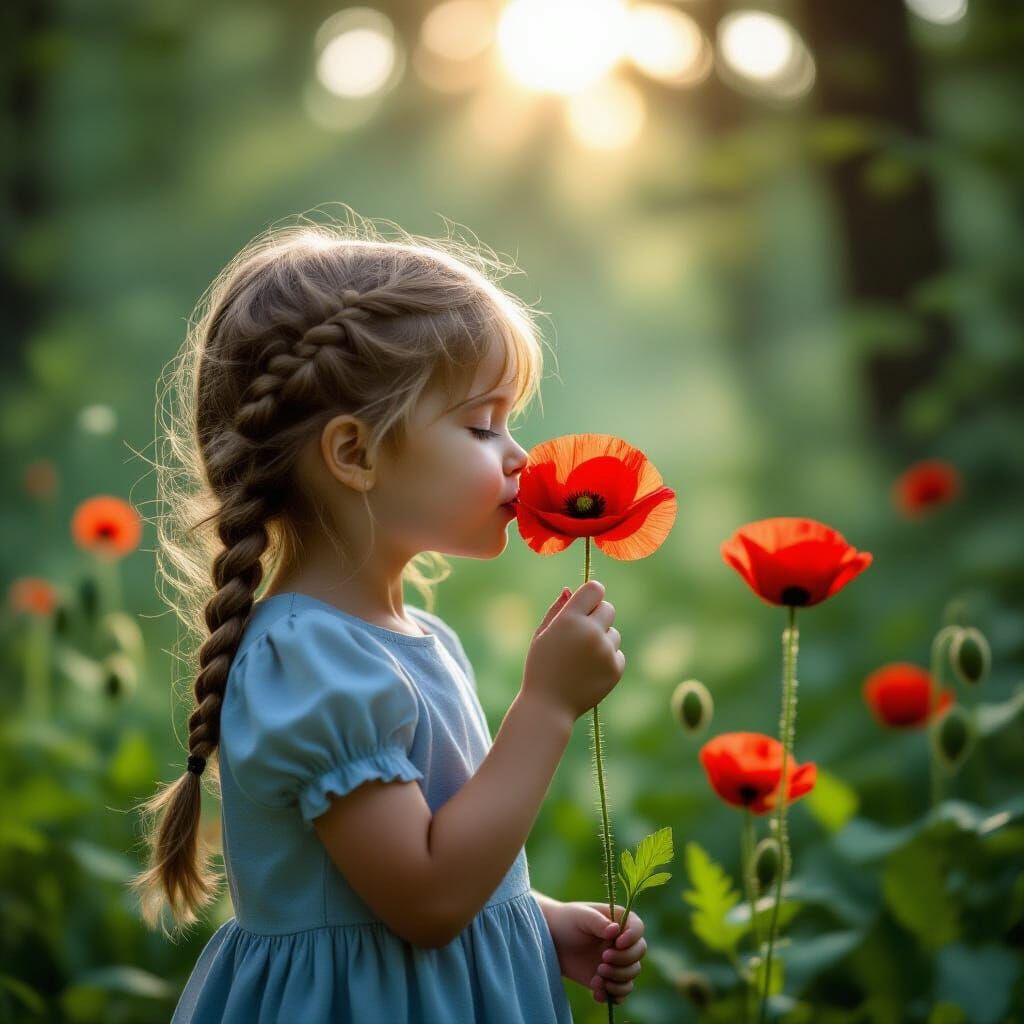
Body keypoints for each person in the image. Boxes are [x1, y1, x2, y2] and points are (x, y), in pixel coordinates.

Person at [127, 209, 647, 1022]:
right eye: (482, 425)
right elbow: (427, 900)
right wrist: (545, 707)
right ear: (354, 454)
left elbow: (406, 875)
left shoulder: (421, 638)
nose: (519, 455)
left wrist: (535, 922)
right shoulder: (309, 663)